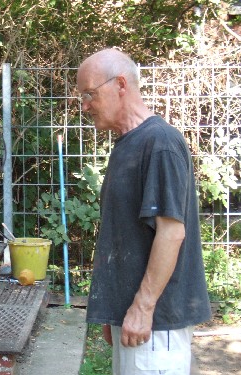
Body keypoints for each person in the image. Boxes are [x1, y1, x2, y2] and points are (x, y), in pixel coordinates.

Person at [77, 48, 211, 374]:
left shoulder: (160, 143)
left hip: (155, 325)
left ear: (120, 84)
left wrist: (142, 307)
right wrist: (115, 309)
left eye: (89, 94)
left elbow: (171, 232)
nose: (84, 106)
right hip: (135, 321)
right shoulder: (128, 144)